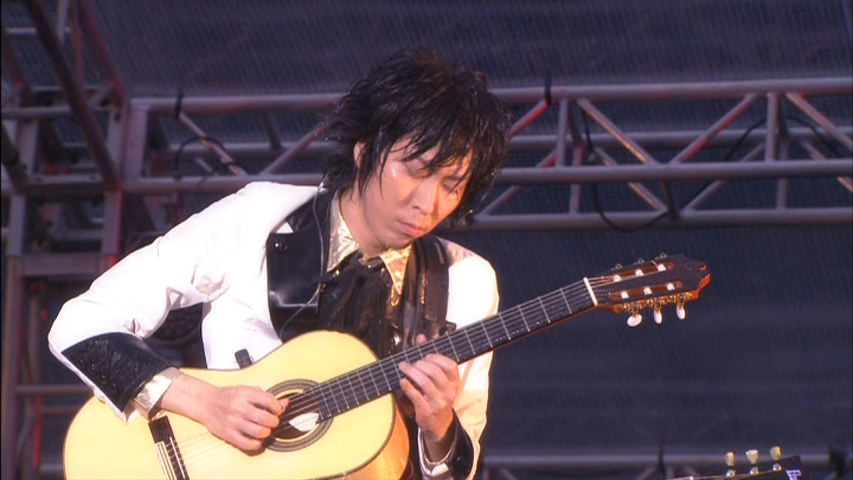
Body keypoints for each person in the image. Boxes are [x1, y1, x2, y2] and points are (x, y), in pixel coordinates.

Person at [48, 47, 511, 480]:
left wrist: (439, 426)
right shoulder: (258, 217)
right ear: (365, 149)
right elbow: (81, 323)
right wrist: (203, 401)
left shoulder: (465, 281)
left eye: (452, 185)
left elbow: (457, 465)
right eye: (416, 169)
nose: (428, 204)